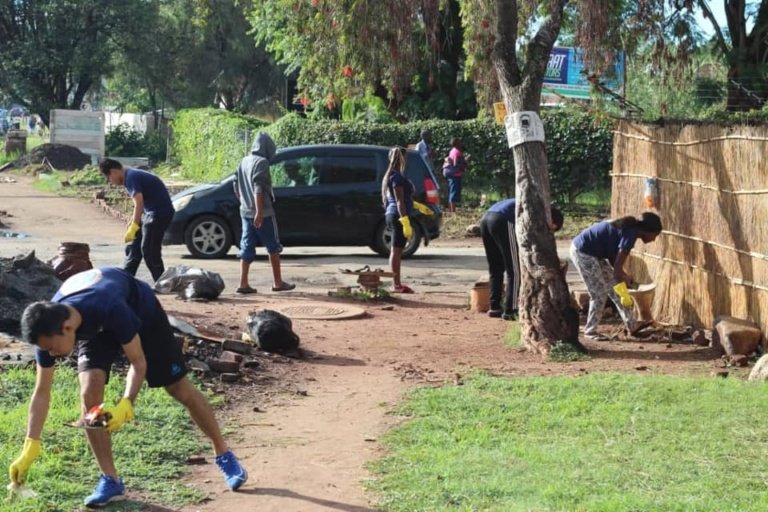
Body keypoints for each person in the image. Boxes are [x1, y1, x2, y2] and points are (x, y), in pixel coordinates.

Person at [10, 267, 248, 508]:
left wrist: (126, 403)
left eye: (51, 347)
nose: (51, 353)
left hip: (142, 316)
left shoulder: (108, 306)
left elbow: (138, 362)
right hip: (97, 328)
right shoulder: (46, 327)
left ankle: (223, 453)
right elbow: (42, 392)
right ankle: (110, 479)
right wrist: (31, 445)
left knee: (178, 389)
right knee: (89, 395)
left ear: (68, 329)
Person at [569, 212, 663, 340]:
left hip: (595, 255)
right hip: (583, 252)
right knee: (599, 293)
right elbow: (617, 270)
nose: (653, 239)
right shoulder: (630, 234)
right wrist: (623, 282)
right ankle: (590, 331)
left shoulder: (630, 231)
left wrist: (623, 276)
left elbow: (615, 261)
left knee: (616, 290)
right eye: (655, 235)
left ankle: (632, 325)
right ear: (647, 230)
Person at [480, 199, 564, 321]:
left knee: (496, 267)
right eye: (552, 228)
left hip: (486, 219)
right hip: (504, 220)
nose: (549, 230)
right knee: (515, 270)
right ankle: (511, 309)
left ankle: (495, 307)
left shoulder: (534, 204)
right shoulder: (539, 212)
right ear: (552, 218)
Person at [234, 132, 295, 294]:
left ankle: (243, 283)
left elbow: (236, 184)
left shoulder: (244, 160)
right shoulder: (261, 163)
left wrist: (244, 201)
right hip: (264, 213)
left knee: (246, 246)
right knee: (273, 247)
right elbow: (258, 188)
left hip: (245, 212)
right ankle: (277, 282)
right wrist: (259, 212)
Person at [99, 159, 174, 282]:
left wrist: (134, 225)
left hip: (159, 214)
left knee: (149, 250)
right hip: (149, 213)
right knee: (135, 247)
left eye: (109, 177)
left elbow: (139, 202)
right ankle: (125, 280)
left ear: (113, 172)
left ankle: (162, 283)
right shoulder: (130, 175)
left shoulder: (131, 177)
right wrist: (133, 221)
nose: (110, 181)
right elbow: (140, 204)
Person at [382, 146, 416, 293]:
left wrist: (416, 205)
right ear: (402, 158)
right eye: (406, 157)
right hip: (397, 215)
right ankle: (396, 285)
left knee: (396, 251)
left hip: (392, 214)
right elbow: (399, 201)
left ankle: (397, 283)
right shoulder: (396, 177)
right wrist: (405, 220)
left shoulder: (391, 175)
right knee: (396, 251)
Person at [442, 137, 467, 213]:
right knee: (453, 193)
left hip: (452, 174)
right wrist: (464, 165)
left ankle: (451, 211)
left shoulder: (452, 151)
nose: (461, 142)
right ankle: (452, 212)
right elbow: (456, 164)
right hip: (455, 175)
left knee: (452, 192)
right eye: (459, 141)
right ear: (457, 143)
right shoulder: (457, 152)